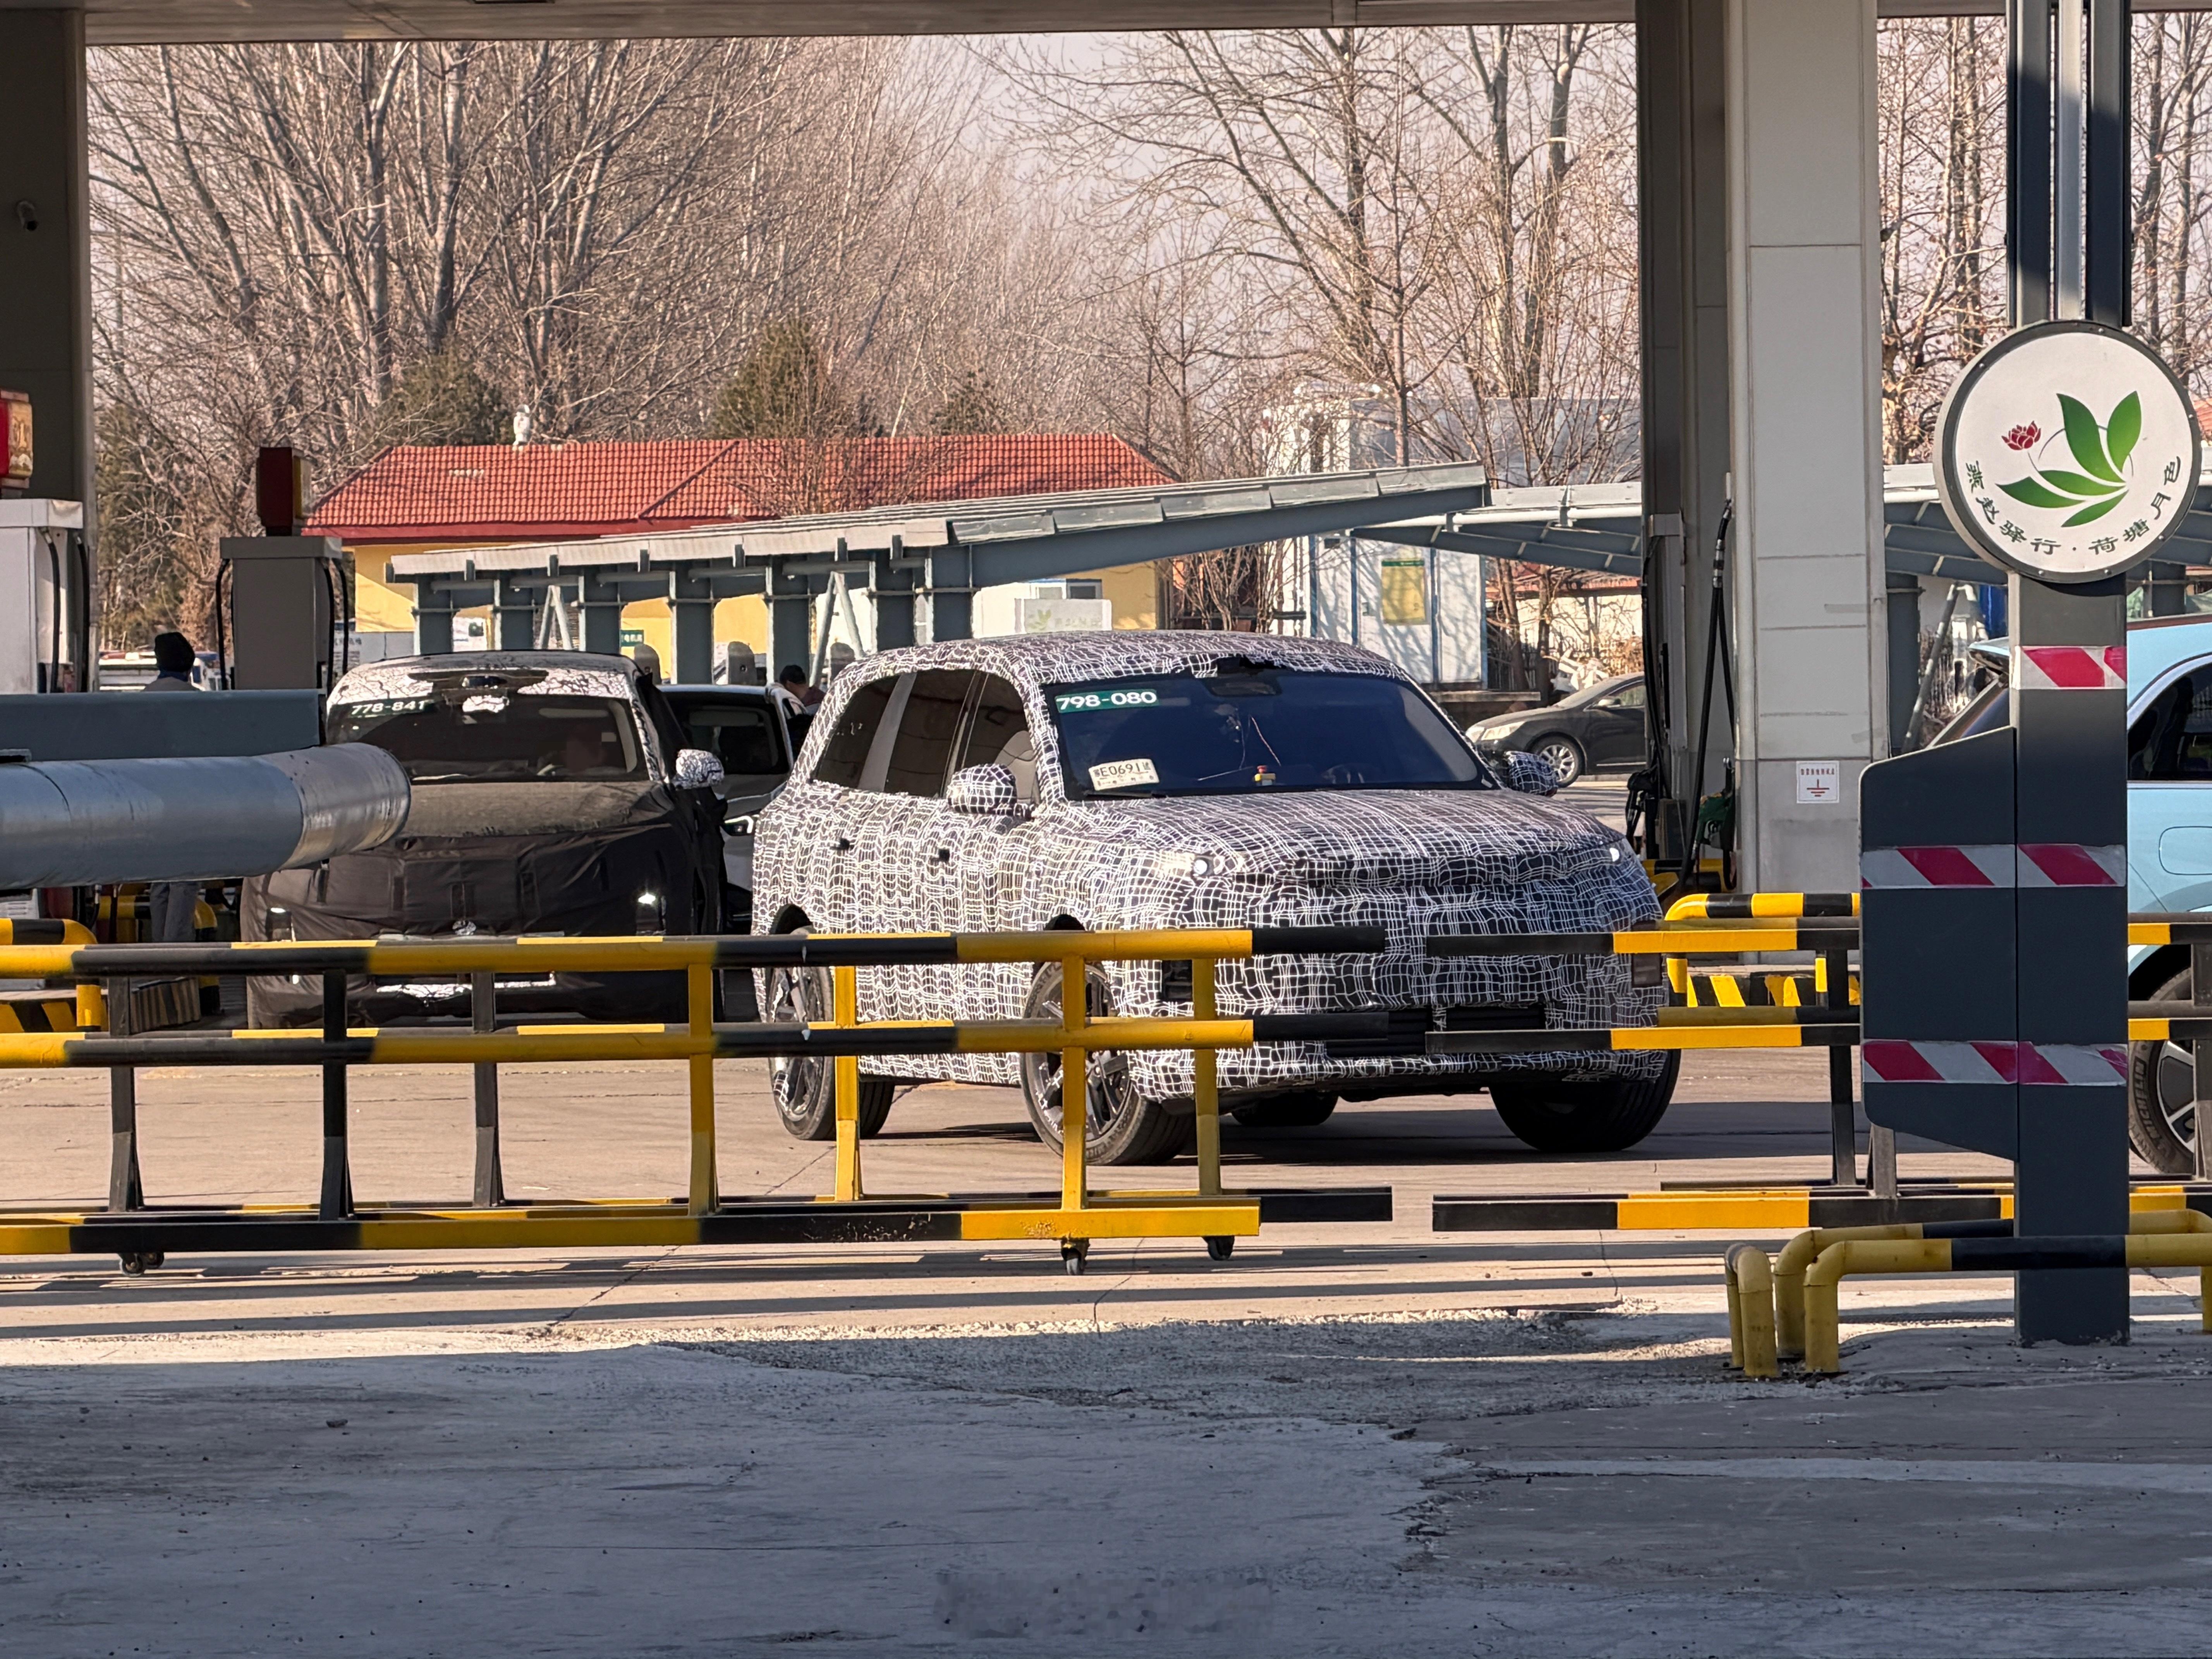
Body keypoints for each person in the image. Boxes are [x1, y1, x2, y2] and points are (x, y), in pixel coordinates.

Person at [141, 631, 202, 943]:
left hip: (151, 799)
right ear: (189, 664)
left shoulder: (143, 699)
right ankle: (177, 950)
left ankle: (159, 951)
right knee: (186, 879)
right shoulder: (197, 702)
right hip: (188, 799)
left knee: (160, 881)